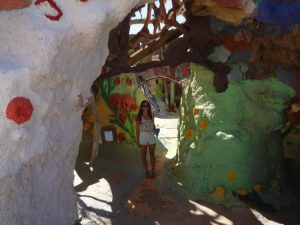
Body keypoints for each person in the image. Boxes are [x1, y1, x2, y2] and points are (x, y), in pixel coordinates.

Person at [136, 100, 157, 178]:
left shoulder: (151, 115)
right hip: (143, 136)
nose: (145, 107)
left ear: (148, 107)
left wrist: (156, 132)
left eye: (146, 105)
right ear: (141, 107)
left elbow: (153, 125)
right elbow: (137, 130)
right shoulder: (139, 117)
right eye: (143, 106)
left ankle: (153, 171)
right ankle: (146, 171)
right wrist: (137, 140)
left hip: (151, 136)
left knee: (152, 155)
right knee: (143, 156)